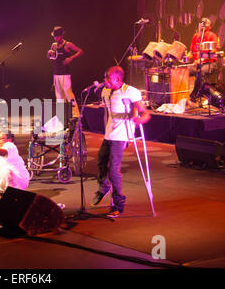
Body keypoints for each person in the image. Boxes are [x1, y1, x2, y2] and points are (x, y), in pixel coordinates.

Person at [92, 66, 151, 218]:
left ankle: (119, 204)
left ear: (117, 79)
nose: (105, 81)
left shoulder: (130, 91)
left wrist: (139, 120)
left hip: (122, 135)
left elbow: (145, 113)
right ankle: (104, 187)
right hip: (109, 134)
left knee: (113, 169)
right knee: (100, 161)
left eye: (108, 78)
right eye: (104, 78)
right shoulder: (105, 91)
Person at [47, 26, 83, 119]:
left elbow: (80, 51)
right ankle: (61, 116)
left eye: (57, 36)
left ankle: (76, 115)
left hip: (65, 73)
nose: (56, 38)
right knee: (59, 96)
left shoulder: (68, 44)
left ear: (61, 35)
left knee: (68, 94)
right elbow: (52, 59)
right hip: (56, 73)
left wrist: (71, 58)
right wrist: (49, 54)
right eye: (54, 36)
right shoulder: (53, 45)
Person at [187, 18, 221, 102]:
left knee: (200, 72)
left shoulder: (212, 35)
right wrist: (187, 57)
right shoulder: (195, 36)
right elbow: (192, 51)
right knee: (184, 70)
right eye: (202, 23)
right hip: (197, 64)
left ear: (209, 26)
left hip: (210, 63)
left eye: (205, 23)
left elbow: (214, 51)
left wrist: (202, 59)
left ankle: (194, 95)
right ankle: (181, 94)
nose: (203, 24)